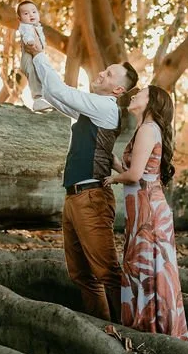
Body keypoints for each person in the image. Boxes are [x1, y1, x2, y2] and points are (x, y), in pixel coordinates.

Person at [23, 40, 139, 321]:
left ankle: (127, 333)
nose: (101, 74)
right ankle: (103, 329)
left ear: (118, 90)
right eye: (105, 70)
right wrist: (40, 88)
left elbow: (59, 91)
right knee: (81, 274)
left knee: (107, 273)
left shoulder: (105, 107)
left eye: (110, 74)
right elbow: (59, 99)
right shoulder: (93, 109)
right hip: (74, 197)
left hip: (92, 198)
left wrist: (40, 55)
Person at [104, 85, 188, 340]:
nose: (133, 95)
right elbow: (135, 170)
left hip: (149, 214)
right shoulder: (146, 130)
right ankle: (147, 328)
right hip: (142, 211)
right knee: (143, 267)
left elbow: (134, 175)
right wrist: (115, 163)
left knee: (147, 269)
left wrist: (113, 179)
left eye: (140, 93)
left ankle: (150, 331)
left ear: (151, 102)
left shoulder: (148, 130)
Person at [16, 0, 51, 111]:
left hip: (36, 56)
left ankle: (44, 98)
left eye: (34, 12)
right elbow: (26, 35)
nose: (31, 15)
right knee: (33, 74)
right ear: (20, 19)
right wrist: (30, 41)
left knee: (42, 75)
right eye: (26, 13)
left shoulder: (37, 27)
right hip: (28, 58)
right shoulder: (25, 26)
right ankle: (37, 99)